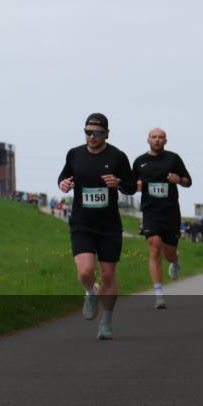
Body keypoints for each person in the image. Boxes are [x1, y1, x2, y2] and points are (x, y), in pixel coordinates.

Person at [58, 113, 137, 339]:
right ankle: (90, 291)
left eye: (97, 133)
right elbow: (64, 176)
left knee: (108, 275)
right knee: (85, 272)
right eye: (88, 132)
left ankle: (106, 323)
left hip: (109, 226)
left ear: (106, 133)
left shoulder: (118, 157)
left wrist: (119, 182)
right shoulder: (74, 154)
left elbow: (131, 186)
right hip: (82, 223)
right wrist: (63, 183)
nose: (92, 136)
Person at [132, 128, 192, 309]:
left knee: (169, 253)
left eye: (160, 138)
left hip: (171, 212)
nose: (157, 140)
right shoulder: (140, 162)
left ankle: (175, 261)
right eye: (154, 137)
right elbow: (129, 186)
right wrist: (136, 186)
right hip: (150, 212)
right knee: (154, 248)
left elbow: (188, 181)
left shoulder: (173, 159)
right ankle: (159, 293)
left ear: (165, 141)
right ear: (148, 140)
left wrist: (178, 180)